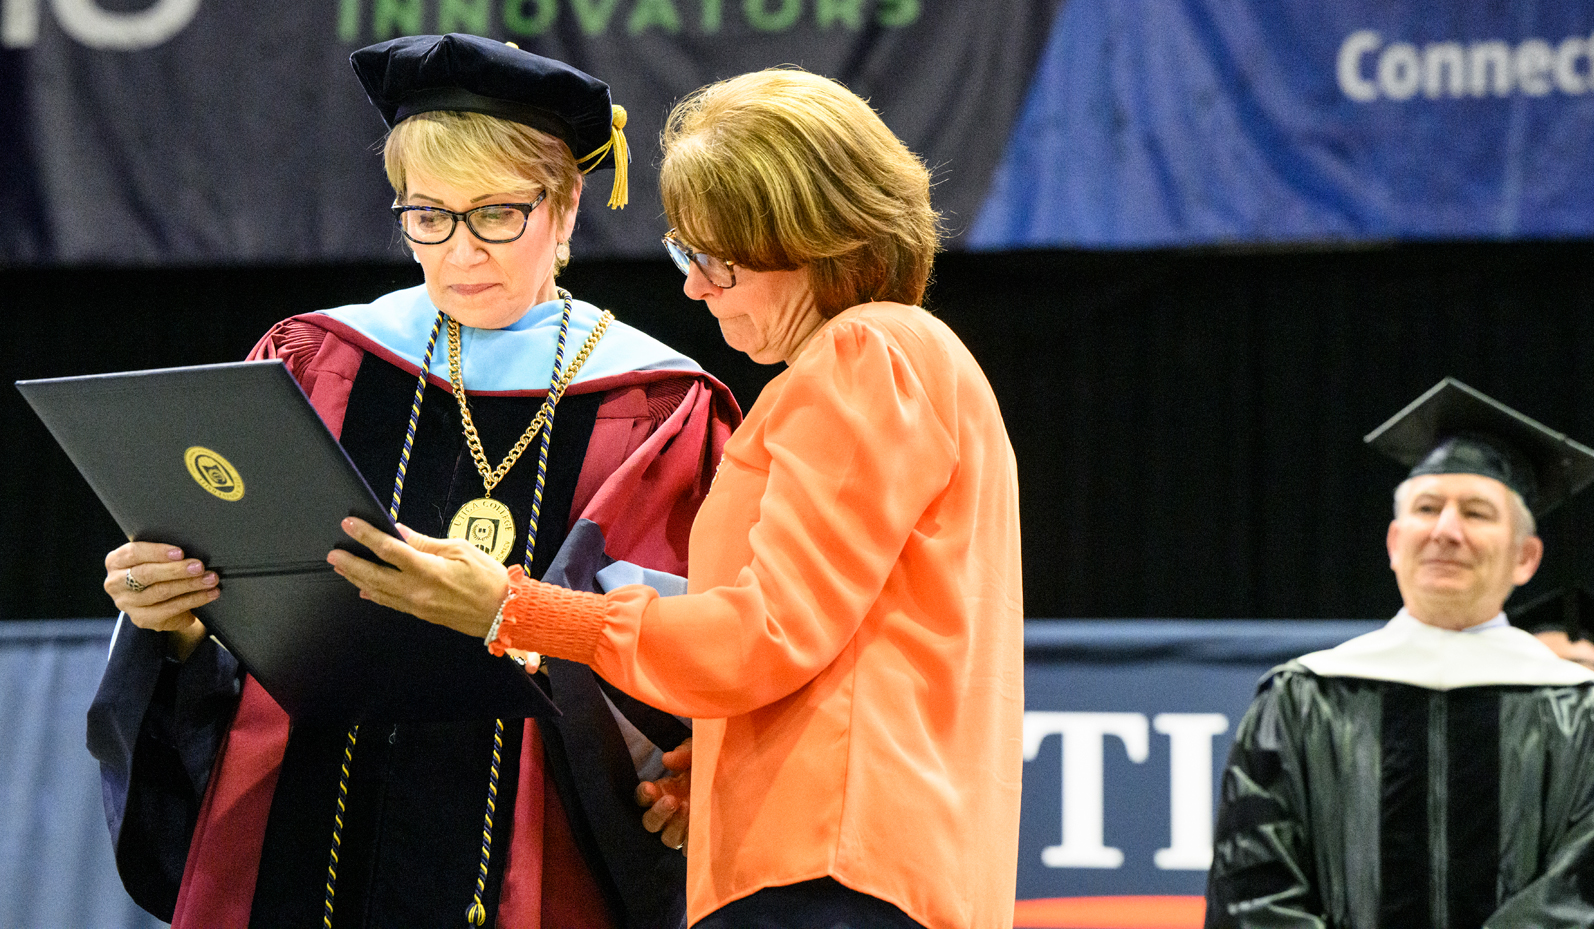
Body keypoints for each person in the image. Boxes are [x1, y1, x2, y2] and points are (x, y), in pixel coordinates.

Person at [330, 68, 1025, 929]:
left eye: (716, 260)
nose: (694, 287)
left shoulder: (862, 356)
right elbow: (851, 645)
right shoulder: (911, 362)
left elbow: (764, 633)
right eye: (685, 255)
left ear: (811, 240)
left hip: (830, 877)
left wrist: (513, 609)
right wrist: (730, 759)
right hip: (863, 860)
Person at [87, 34, 738, 929]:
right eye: (428, 215)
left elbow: (688, 649)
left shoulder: (656, 406)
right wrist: (174, 621)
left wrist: (699, 761)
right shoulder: (314, 363)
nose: (460, 252)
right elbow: (239, 631)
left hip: (533, 850)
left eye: (497, 214)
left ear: (566, 208)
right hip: (299, 829)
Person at [1205, 378, 1594, 928]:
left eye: (1477, 513)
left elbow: (1587, 896)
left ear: (1525, 558)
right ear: (1394, 543)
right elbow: (1252, 891)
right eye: (1427, 508)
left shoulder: (1584, 715)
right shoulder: (1303, 700)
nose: (1446, 531)